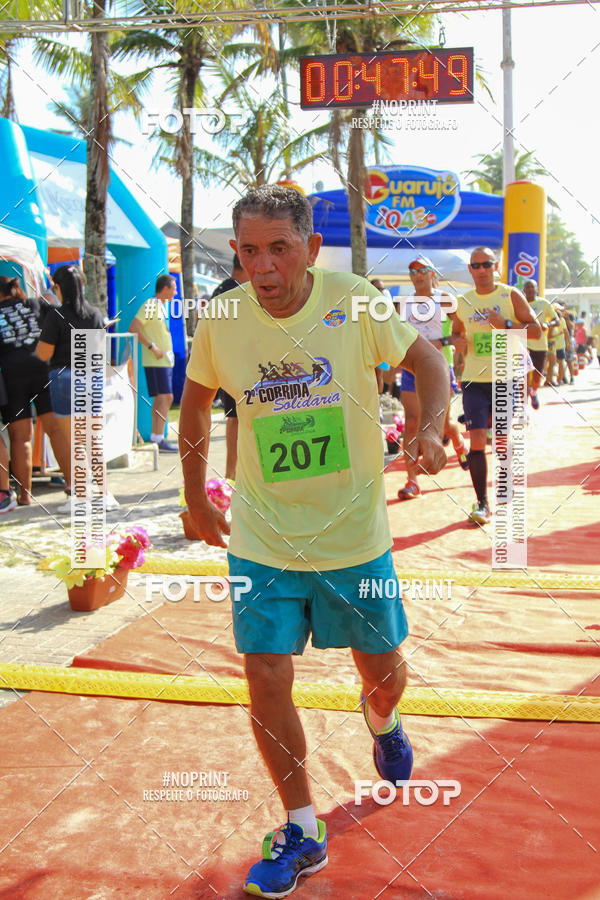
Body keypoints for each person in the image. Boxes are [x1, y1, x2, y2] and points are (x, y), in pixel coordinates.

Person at [179, 186, 448, 898]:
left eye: (279, 248)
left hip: (353, 535)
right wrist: (193, 497)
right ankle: (301, 827)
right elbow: (196, 400)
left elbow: (430, 363)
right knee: (264, 673)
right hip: (263, 537)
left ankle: (383, 717)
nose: (262, 267)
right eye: (247, 251)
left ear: (312, 249)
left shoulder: (354, 300)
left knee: (382, 669)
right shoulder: (223, 316)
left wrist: (428, 429)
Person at [451, 247, 541, 525]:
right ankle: (482, 504)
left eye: (487, 265)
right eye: (476, 265)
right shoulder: (463, 301)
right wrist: (458, 343)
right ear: (470, 269)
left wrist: (507, 324)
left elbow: (536, 331)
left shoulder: (509, 295)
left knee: (502, 440)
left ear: (495, 267)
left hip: (507, 377)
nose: (482, 270)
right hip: (474, 380)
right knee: (477, 440)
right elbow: (456, 333)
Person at [35, 264, 115, 511]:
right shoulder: (94, 313)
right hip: (91, 377)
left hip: (64, 378)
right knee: (93, 439)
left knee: (73, 442)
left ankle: (80, 495)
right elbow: (99, 351)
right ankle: (104, 493)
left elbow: (43, 352)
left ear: (59, 288)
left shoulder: (55, 316)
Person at [396, 256, 468, 500]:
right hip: (411, 368)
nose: (417, 275)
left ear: (431, 273)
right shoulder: (405, 303)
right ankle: (412, 480)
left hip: (438, 368)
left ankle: (458, 443)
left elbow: (461, 332)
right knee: (412, 423)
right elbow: (397, 334)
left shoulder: (445, 299)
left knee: (444, 424)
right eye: (413, 271)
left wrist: (445, 343)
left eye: (422, 270)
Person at [0, 275, 71, 505]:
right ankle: (73, 485)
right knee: (56, 430)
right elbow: (60, 316)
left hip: (13, 376)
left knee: (20, 438)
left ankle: (24, 495)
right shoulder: (35, 304)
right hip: (43, 368)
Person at [211, 255, 249, 481]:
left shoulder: (222, 289)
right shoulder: (233, 292)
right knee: (236, 418)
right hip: (235, 364)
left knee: (236, 418)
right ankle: (232, 474)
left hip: (229, 362)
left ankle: (234, 473)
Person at [129, 274, 178, 452]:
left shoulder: (161, 307)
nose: (176, 292)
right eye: (174, 288)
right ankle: (158, 438)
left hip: (164, 361)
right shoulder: (150, 305)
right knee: (166, 397)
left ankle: (157, 437)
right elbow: (133, 327)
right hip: (156, 360)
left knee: (161, 398)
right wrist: (152, 347)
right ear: (165, 288)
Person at [523, 279, 559, 409]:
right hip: (524, 344)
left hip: (540, 345)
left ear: (536, 289)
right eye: (527, 288)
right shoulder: (520, 303)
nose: (530, 290)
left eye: (532, 287)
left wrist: (547, 324)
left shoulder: (543, 303)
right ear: (524, 290)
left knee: (537, 376)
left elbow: (557, 320)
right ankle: (524, 407)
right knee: (524, 376)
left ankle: (533, 392)